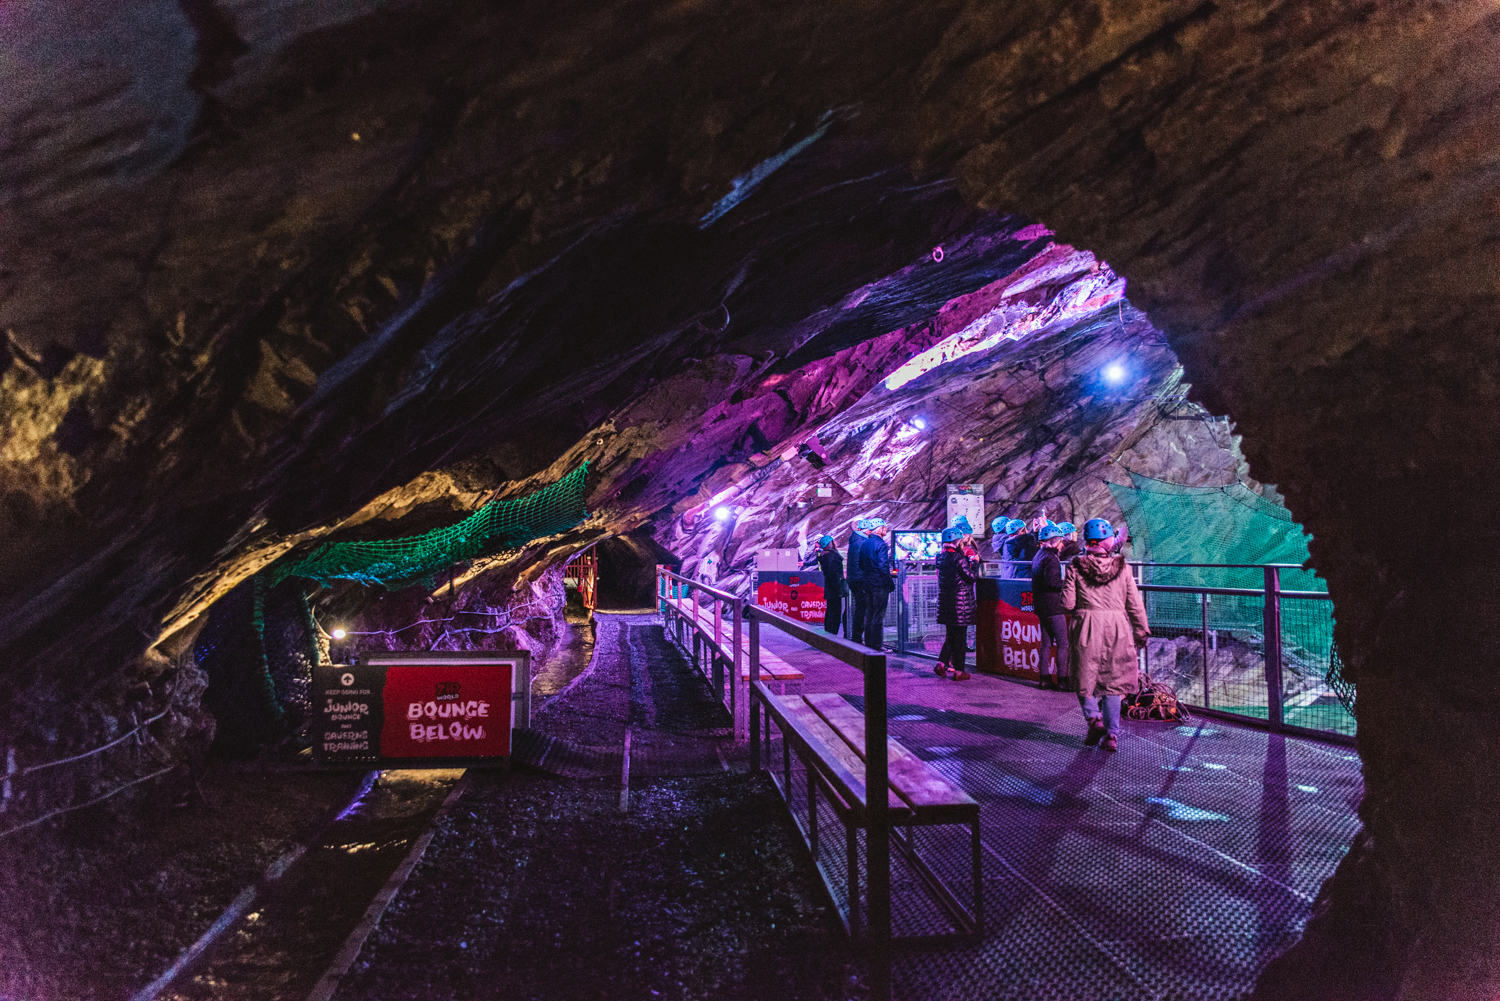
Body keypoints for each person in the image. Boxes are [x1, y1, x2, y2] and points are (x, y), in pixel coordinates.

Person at [1063, 517, 1150, 753]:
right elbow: (1134, 603)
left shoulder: (1075, 566)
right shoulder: (1123, 568)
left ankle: (1093, 720)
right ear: (1109, 541)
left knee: (1083, 678)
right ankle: (1111, 735)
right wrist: (1141, 629)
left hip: (1086, 626)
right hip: (1117, 628)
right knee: (1114, 683)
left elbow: (1068, 603)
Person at [1031, 523, 1071, 691]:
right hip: (1053, 605)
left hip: (1041, 605)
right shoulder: (1051, 558)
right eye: (1061, 541)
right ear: (1054, 541)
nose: (1062, 544)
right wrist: (1067, 582)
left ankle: (1044, 678)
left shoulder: (1038, 555)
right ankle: (1063, 680)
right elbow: (1052, 581)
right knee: (1063, 643)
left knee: (1046, 643)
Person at [935, 526, 977, 680]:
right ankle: (959, 671)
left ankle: (941, 663)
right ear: (957, 541)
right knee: (960, 639)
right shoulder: (959, 559)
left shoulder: (940, 557)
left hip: (946, 603)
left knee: (951, 636)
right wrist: (975, 564)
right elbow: (971, 577)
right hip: (961, 604)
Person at [855, 518, 895, 649]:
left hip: (867, 582)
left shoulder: (865, 544)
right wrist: (888, 582)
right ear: (879, 529)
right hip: (879, 584)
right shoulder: (881, 545)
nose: (886, 529)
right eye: (884, 527)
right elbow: (883, 566)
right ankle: (877, 645)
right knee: (878, 615)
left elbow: (861, 564)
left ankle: (868, 643)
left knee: (869, 614)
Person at [802, 534, 847, 636]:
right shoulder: (831, 556)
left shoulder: (825, 555)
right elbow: (834, 574)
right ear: (829, 543)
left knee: (831, 612)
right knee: (834, 613)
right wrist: (839, 589)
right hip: (834, 590)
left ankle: (829, 634)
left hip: (830, 588)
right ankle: (831, 635)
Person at [847, 519, 872, 643]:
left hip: (853, 579)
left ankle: (854, 635)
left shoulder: (854, 540)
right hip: (861, 579)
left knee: (859, 607)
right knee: (863, 609)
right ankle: (858, 637)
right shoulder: (864, 542)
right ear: (867, 530)